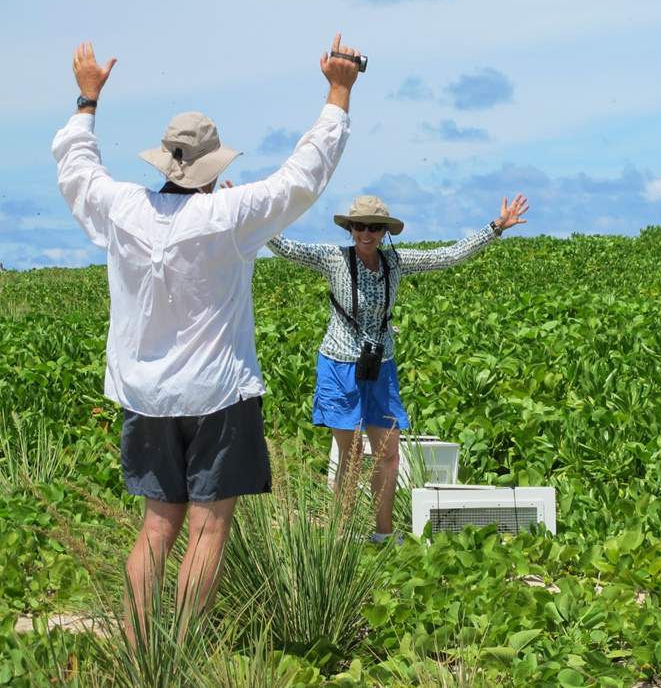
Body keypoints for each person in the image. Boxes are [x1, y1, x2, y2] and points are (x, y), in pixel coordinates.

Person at [52, 35, 362, 644]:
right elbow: (304, 175)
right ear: (212, 167)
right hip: (219, 394)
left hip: (144, 396)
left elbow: (76, 168)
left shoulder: (123, 209)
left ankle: (142, 647)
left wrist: (87, 100)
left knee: (155, 528)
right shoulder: (228, 216)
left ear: (165, 164)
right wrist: (338, 91)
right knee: (207, 530)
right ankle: (186, 648)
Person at [266, 193, 529, 543]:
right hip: (340, 364)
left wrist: (496, 227)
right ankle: (340, 536)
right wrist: (251, 217)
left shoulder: (396, 262)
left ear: (385, 231)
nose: (366, 233)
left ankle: (383, 534)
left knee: (389, 454)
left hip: (381, 367)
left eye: (374, 227)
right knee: (352, 453)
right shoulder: (333, 259)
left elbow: (446, 256)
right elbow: (286, 249)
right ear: (350, 228)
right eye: (359, 226)